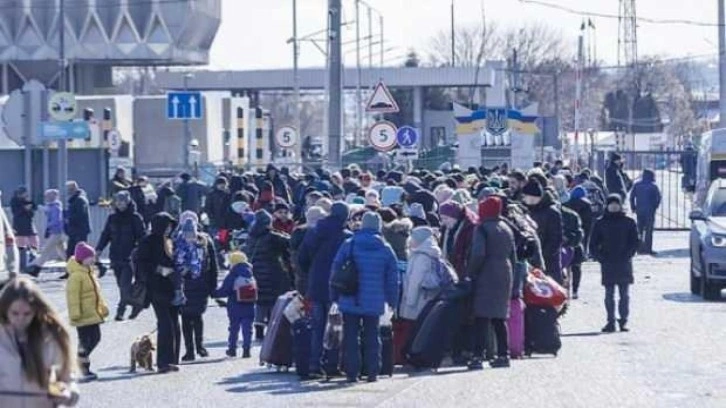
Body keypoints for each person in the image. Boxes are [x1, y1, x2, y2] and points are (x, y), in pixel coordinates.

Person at [331, 211, 398, 383]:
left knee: (351, 336)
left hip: (350, 297)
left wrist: (335, 296)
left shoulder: (350, 244)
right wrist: (392, 301)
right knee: (372, 336)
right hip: (374, 299)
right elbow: (392, 279)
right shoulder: (385, 248)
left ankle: (352, 373)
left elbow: (336, 270)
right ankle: (372, 372)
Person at [0, 277, 80, 408]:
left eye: (27, 314)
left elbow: (68, 378)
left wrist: (68, 393)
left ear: (36, 312)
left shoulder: (51, 336)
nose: (20, 319)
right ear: (4, 310)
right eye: (15, 313)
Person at [298, 202, 351, 377]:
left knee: (317, 326)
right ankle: (331, 365)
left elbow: (302, 259)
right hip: (337, 286)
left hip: (315, 283)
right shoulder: (346, 237)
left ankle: (314, 364)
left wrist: (312, 273)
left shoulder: (314, 232)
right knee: (335, 327)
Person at [466, 196, 515, 369]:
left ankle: (477, 356)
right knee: (499, 317)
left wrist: (470, 273)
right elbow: (513, 255)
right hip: (505, 271)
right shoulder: (506, 227)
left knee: (482, 317)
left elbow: (478, 254)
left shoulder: (482, 229)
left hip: (487, 273)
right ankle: (503, 354)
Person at [137, 213, 181, 374]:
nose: (169, 229)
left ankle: (172, 360)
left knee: (175, 324)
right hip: (156, 287)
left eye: (171, 226)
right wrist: (160, 269)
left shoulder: (171, 242)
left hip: (172, 287)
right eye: (167, 225)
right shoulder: (148, 242)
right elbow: (140, 263)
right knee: (165, 324)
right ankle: (163, 362)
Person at [589, 194, 639, 333]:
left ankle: (623, 321)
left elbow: (635, 241)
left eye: (616, 204)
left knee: (624, 295)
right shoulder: (601, 222)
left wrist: (628, 254)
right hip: (608, 263)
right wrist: (600, 258)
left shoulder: (628, 222)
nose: (614, 206)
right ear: (607, 205)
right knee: (609, 294)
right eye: (611, 204)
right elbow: (593, 244)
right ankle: (610, 321)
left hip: (624, 262)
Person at [96, 191, 146, 321]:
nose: (120, 204)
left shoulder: (135, 218)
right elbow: (106, 234)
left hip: (130, 257)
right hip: (115, 256)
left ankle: (120, 311)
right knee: (121, 285)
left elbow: (142, 237)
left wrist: (141, 252)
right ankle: (136, 303)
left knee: (125, 285)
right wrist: (99, 249)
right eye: (117, 202)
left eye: (122, 201)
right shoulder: (112, 218)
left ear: (128, 202)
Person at [174, 216, 218, 362]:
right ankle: (189, 350)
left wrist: (213, 286)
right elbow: (173, 264)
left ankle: (199, 345)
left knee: (198, 316)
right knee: (185, 318)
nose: (189, 237)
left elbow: (213, 265)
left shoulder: (205, 242)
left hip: (201, 285)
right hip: (184, 286)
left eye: (191, 234)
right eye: (187, 234)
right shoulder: (177, 243)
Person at [243, 210, 292, 340]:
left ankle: (258, 330)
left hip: (255, 272)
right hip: (272, 272)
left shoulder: (251, 237)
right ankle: (272, 330)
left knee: (260, 302)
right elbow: (289, 242)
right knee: (272, 301)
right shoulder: (272, 236)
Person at [65, 243, 109, 382]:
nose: (93, 260)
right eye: (90, 257)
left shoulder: (89, 273)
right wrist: (75, 314)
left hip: (93, 314)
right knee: (84, 342)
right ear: (82, 259)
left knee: (95, 338)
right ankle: (82, 368)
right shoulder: (76, 276)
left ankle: (79, 363)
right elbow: (73, 297)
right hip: (82, 316)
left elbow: (97, 295)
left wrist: (103, 308)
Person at [214, 251, 255, 359]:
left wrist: (214, 293)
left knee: (234, 328)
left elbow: (224, 291)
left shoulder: (233, 274)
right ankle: (247, 349)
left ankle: (232, 349)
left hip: (235, 305)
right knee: (248, 328)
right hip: (249, 305)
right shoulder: (250, 274)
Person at [522, 179, 564, 284]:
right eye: (527, 197)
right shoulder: (523, 210)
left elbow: (556, 239)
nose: (529, 200)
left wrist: (540, 257)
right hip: (528, 263)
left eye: (532, 198)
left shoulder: (552, 212)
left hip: (549, 263)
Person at [27, 190, 65, 277]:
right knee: (62, 253)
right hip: (56, 232)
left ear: (53, 196)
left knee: (46, 250)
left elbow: (56, 219)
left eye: (48, 196)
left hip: (56, 232)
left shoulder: (55, 207)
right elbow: (46, 209)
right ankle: (73, 267)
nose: (46, 197)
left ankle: (36, 269)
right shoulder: (53, 206)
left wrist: (50, 226)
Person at [564, 187, 593, 299]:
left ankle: (566, 289)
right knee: (577, 267)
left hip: (568, 238)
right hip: (579, 238)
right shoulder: (586, 204)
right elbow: (589, 223)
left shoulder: (567, 204)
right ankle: (575, 290)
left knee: (566, 266)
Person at [629, 169, 661, 255]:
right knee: (649, 230)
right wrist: (655, 207)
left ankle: (639, 248)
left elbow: (632, 197)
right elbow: (658, 198)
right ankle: (648, 248)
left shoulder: (637, 185)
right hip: (650, 211)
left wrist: (633, 207)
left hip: (639, 210)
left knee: (639, 230)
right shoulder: (653, 186)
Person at [64, 181, 91, 262]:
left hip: (79, 230)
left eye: (69, 189)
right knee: (72, 252)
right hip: (75, 230)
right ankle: (70, 271)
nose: (68, 191)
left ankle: (98, 265)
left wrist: (69, 219)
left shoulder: (80, 200)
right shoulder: (75, 200)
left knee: (80, 252)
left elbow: (80, 215)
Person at [10, 186, 38, 260]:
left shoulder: (27, 200)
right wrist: (24, 208)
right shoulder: (14, 201)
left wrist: (29, 204)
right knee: (21, 243)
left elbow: (34, 207)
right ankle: (22, 258)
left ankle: (33, 256)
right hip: (19, 225)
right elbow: (16, 212)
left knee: (33, 240)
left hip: (29, 223)